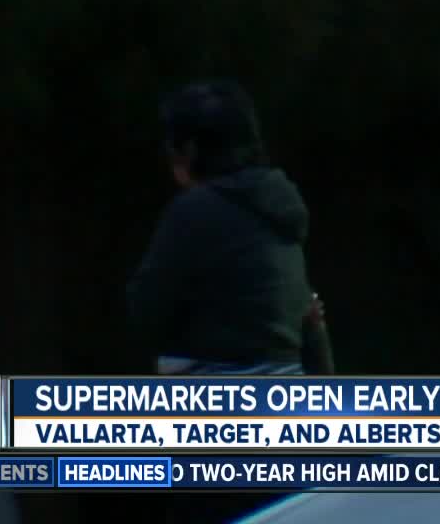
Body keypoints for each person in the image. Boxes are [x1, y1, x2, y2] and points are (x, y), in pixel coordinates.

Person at [128, 80, 330, 375]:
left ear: (190, 149)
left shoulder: (194, 211)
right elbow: (306, 320)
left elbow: (145, 310)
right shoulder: (281, 206)